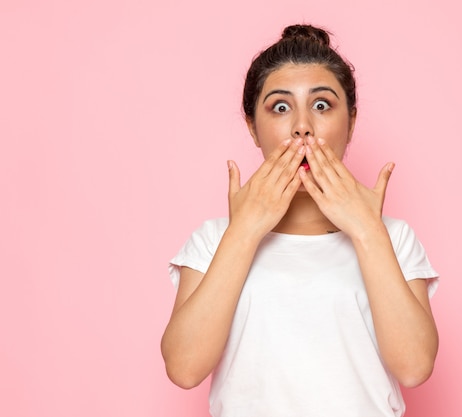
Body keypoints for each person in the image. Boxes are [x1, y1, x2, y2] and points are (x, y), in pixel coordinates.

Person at [161, 24, 440, 417]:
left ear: (352, 122)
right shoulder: (213, 240)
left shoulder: (392, 237)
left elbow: (414, 368)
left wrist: (365, 229)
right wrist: (244, 230)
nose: (302, 126)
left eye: (322, 105)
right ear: (252, 128)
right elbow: (184, 368)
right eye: (280, 107)